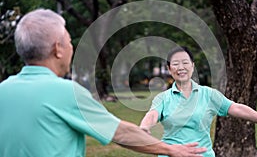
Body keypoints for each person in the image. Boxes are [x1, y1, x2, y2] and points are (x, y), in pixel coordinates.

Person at [0, 9, 207, 157]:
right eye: (70, 41)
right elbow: (120, 133)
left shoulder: (3, 91)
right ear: (58, 49)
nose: (72, 48)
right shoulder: (66, 92)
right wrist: (171, 149)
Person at [139, 46, 257, 157]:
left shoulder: (209, 95)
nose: (181, 67)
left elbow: (236, 108)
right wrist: (144, 127)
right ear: (169, 69)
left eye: (185, 62)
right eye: (175, 64)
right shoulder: (163, 98)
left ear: (192, 66)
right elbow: (152, 114)